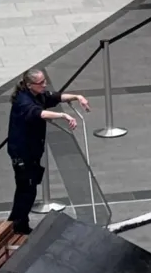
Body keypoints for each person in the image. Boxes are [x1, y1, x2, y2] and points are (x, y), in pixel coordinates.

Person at [6, 70, 90, 236]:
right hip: (23, 153)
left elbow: (56, 97)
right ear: (30, 85)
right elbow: (40, 113)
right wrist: (63, 115)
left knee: (28, 189)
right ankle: (16, 226)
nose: (45, 85)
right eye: (41, 83)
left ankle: (19, 225)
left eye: (44, 81)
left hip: (33, 151)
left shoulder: (37, 94)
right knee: (26, 190)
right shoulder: (23, 101)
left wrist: (77, 97)